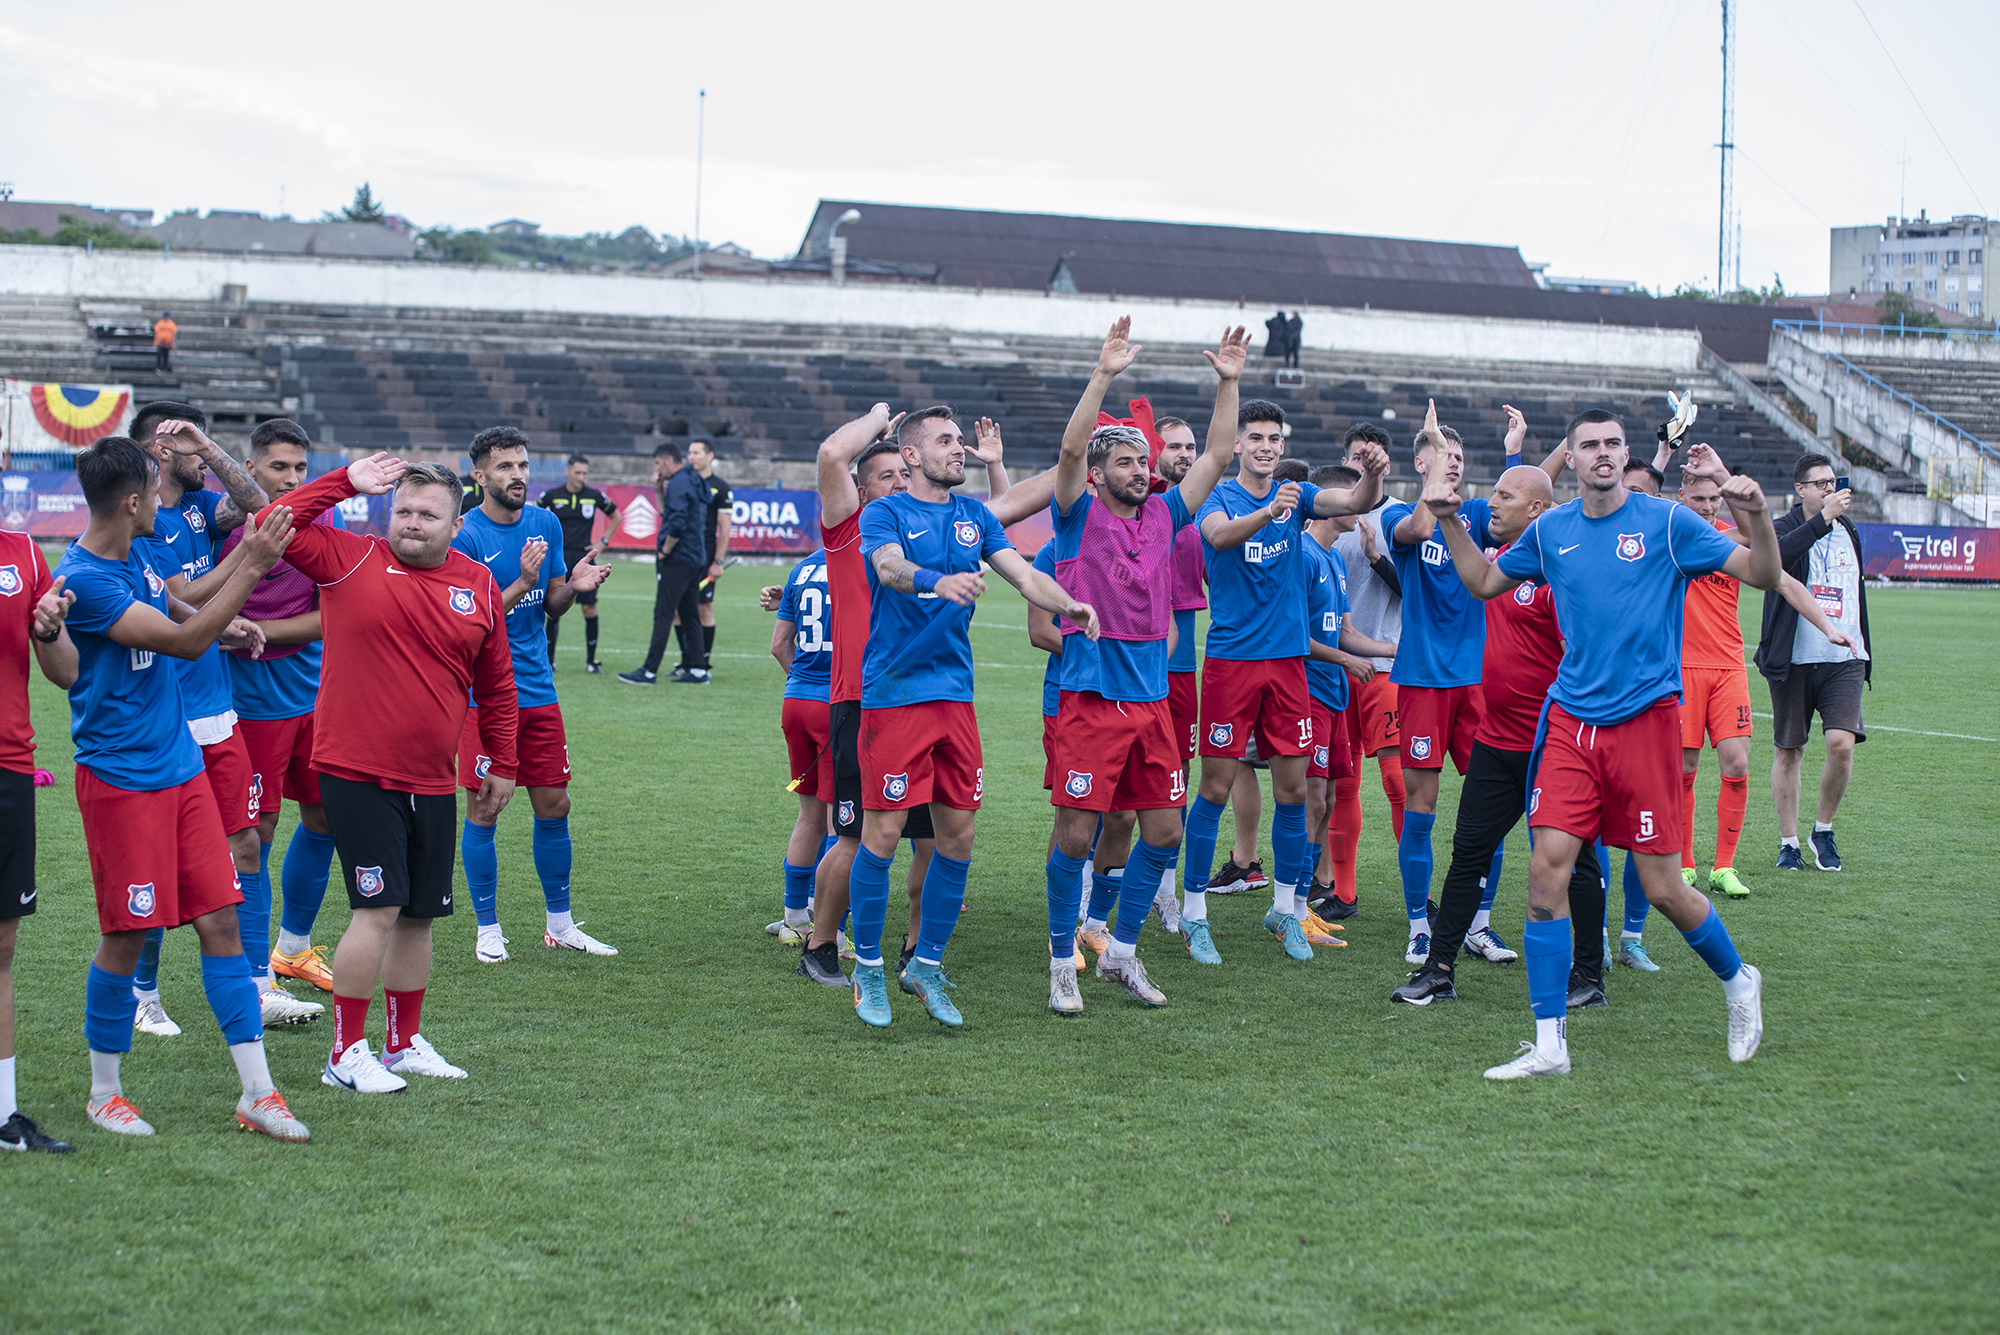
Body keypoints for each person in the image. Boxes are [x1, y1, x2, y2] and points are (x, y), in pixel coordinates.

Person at [1435, 418, 1779, 1079]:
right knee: (1544, 876)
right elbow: (1482, 581)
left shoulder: (1668, 524)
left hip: (1646, 724)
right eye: (1588, 444)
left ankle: (1739, 980)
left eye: (1611, 445)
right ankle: (1549, 1045)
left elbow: (1761, 572)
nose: (1600, 454)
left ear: (1625, 456)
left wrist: (1756, 514)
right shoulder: (1550, 532)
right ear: (1577, 456)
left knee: (1663, 886)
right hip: (1569, 722)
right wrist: (1452, 520)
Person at [57, 435, 310, 1140]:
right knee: (127, 935)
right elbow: (181, 638)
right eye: (153, 487)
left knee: (220, 920)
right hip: (121, 780)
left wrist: (231, 615)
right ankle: (104, 1092)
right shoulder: (85, 579)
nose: (164, 495)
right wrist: (253, 563)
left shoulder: (135, 555)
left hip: (179, 768)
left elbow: (182, 606)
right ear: (134, 501)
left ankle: (258, 1092)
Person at [256, 453, 519, 1094]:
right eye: (402, 510)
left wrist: (505, 762)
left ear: (456, 525)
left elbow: (498, 684)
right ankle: (345, 1053)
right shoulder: (351, 557)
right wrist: (345, 481)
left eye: (428, 514)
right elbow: (271, 519)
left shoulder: (479, 583)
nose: (412, 523)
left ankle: (403, 1043)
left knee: (419, 915)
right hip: (357, 769)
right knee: (377, 909)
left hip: (432, 777)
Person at [848, 402, 1092, 1029]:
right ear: (910, 455)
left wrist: (1073, 606)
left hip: (954, 700)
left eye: (960, 441)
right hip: (895, 696)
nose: (960, 449)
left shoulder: (974, 517)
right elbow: (887, 568)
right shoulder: (884, 511)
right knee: (881, 836)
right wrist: (935, 581)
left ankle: (926, 965)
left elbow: (1022, 575)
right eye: (945, 441)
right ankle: (868, 970)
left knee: (958, 838)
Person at [802, 412, 1046, 990]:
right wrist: (880, 421)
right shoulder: (854, 526)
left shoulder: (939, 516)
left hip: (934, 696)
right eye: (883, 474)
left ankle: (918, 952)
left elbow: (1001, 518)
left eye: (897, 472)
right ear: (867, 488)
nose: (893, 483)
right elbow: (832, 454)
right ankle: (821, 943)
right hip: (867, 697)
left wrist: (1013, 464)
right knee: (858, 835)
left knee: (935, 837)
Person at [1043, 320, 1246, 1014]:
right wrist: (1103, 373)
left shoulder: (1166, 515)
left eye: (1143, 460)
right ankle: (1060, 961)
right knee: (1076, 833)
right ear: (1099, 476)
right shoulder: (1075, 516)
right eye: (1126, 462)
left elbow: (1219, 452)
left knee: (1164, 831)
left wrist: (1228, 380)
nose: (1141, 469)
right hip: (1091, 698)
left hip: (1153, 703)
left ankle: (1121, 951)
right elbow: (1070, 448)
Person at [132, 404, 323, 1029]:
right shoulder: (132, 522)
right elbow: (176, 598)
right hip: (163, 708)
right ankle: (142, 993)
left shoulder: (199, 508)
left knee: (246, 842)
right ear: (157, 453)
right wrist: (245, 570)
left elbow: (259, 504)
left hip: (215, 705)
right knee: (163, 856)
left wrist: (208, 449)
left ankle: (259, 982)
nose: (200, 461)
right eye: (186, 446)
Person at [1182, 397, 1389, 965]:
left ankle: (1285, 909)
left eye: (1275, 438)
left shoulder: (1296, 500)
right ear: (1239, 446)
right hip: (1232, 665)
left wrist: (1371, 475)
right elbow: (1220, 538)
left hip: (1290, 667)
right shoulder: (1222, 496)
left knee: (1295, 792)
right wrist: (1271, 512)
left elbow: (1354, 501)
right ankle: (1195, 914)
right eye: (1257, 438)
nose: (1268, 446)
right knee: (1216, 789)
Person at [1391, 465, 1606, 1005]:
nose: (1493, 503)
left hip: (1550, 743)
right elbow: (1470, 572)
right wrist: (1443, 512)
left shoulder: (1560, 573)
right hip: (1497, 739)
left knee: (1573, 862)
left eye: (1505, 496)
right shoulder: (1503, 563)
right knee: (1468, 853)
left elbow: (1588, 650)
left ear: (1536, 509)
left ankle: (1589, 976)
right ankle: (1438, 970)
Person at [454, 428, 615, 964]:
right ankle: (488, 928)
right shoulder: (466, 536)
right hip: (484, 697)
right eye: (504, 467)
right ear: (480, 476)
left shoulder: (544, 522)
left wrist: (574, 585)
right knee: (484, 808)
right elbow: (469, 622)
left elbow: (552, 607)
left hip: (539, 691)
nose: (517, 475)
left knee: (555, 804)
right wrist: (522, 583)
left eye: (522, 465)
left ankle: (560, 925)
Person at [217, 419, 342, 996]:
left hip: (316, 692)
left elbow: (331, 613)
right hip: (252, 697)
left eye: (300, 469)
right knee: (258, 830)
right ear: (249, 470)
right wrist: (230, 628)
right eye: (278, 468)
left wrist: (262, 628)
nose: (292, 479)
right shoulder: (222, 523)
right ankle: (256, 977)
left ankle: (292, 949)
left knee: (324, 818)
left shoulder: (323, 518)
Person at [1380, 402, 1493, 965]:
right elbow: (1417, 527)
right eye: (1445, 456)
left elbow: (1527, 502)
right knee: (1421, 809)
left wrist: (1533, 452)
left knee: (1489, 807)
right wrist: (1432, 475)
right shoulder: (1399, 513)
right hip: (1424, 681)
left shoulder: (1476, 512)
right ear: (1422, 462)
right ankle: (1420, 924)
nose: (1456, 464)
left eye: (1461, 457)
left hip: (1480, 684)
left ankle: (1480, 922)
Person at [0, 526, 79, 1152]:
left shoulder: (24, 553)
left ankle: (5, 1115)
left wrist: (49, 628)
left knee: (1, 949)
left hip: (8, 770)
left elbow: (65, 674)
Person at [1757, 453, 1871, 873]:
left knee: (1842, 745)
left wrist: (1861, 643)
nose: (1829, 487)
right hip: (1794, 657)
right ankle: (1789, 843)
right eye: (1819, 482)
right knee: (1790, 750)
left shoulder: (1850, 530)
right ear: (1800, 488)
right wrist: (1822, 518)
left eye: (1832, 481)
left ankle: (1822, 830)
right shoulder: (1785, 527)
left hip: (1845, 656)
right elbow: (1777, 560)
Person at [1299, 463, 1394, 948]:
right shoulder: (1302, 555)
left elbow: (1346, 632)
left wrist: (1396, 649)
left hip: (1334, 692)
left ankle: (1302, 906)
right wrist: (1343, 658)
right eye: (1349, 494)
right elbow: (1295, 635)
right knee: (1310, 800)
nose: (1357, 503)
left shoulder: (1334, 558)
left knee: (1330, 798)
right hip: (1308, 692)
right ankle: (1291, 910)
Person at [1325, 423, 1404, 918]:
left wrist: (1376, 558)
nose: (1361, 464)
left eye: (1370, 457)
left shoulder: (1401, 520)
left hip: (1385, 668)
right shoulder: (1328, 515)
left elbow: (1418, 593)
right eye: (1354, 456)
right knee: (1343, 784)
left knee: (1399, 783)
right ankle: (1344, 893)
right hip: (1336, 669)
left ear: (1385, 464)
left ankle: (1419, 898)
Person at [769, 545, 832, 944]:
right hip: (837, 708)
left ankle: (794, 915)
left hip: (796, 702)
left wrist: (803, 684)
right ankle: (830, 929)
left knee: (809, 814)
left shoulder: (804, 566)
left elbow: (779, 645)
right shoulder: (867, 558)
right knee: (842, 824)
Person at [621, 442, 708, 684]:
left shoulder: (679, 483)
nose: (658, 469)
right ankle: (699, 669)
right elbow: (668, 514)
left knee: (663, 613)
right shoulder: (693, 479)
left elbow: (676, 524)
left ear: (668, 460)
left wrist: (664, 551)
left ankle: (648, 671)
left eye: (658, 463)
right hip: (695, 558)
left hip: (678, 559)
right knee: (690, 614)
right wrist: (658, 490)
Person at [538, 454, 621, 672]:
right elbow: (533, 515)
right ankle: (549, 660)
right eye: (578, 473)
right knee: (554, 607)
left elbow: (616, 516)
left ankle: (591, 661)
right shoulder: (552, 495)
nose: (581, 477)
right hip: (558, 558)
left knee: (589, 609)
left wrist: (602, 542)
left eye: (585, 473)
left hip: (585, 558)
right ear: (568, 471)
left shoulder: (593, 495)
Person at [678, 439, 731, 678]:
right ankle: (686, 661)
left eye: (697, 452)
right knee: (679, 610)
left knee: (704, 607)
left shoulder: (720, 487)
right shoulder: (683, 481)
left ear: (709, 455)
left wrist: (717, 561)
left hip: (706, 555)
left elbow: (724, 528)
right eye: (689, 453)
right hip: (683, 554)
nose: (692, 457)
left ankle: (704, 664)